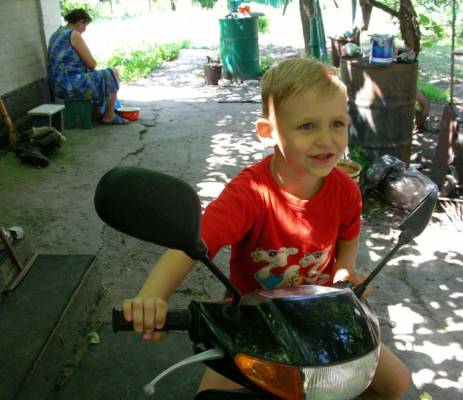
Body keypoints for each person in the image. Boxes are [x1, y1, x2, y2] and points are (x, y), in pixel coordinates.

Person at [121, 57, 411, 399]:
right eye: (307, 126)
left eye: (337, 124)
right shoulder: (249, 194)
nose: (326, 140)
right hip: (253, 322)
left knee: (396, 383)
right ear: (267, 132)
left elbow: (348, 233)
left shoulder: (345, 189)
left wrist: (344, 271)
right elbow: (194, 244)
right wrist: (152, 297)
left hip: (319, 313)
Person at [47, 9, 127, 125]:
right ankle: (109, 115)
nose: (84, 30)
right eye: (85, 26)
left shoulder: (57, 33)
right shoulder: (73, 34)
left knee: (96, 77)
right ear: (81, 22)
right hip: (69, 84)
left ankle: (96, 113)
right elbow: (91, 64)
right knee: (112, 73)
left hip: (57, 84)